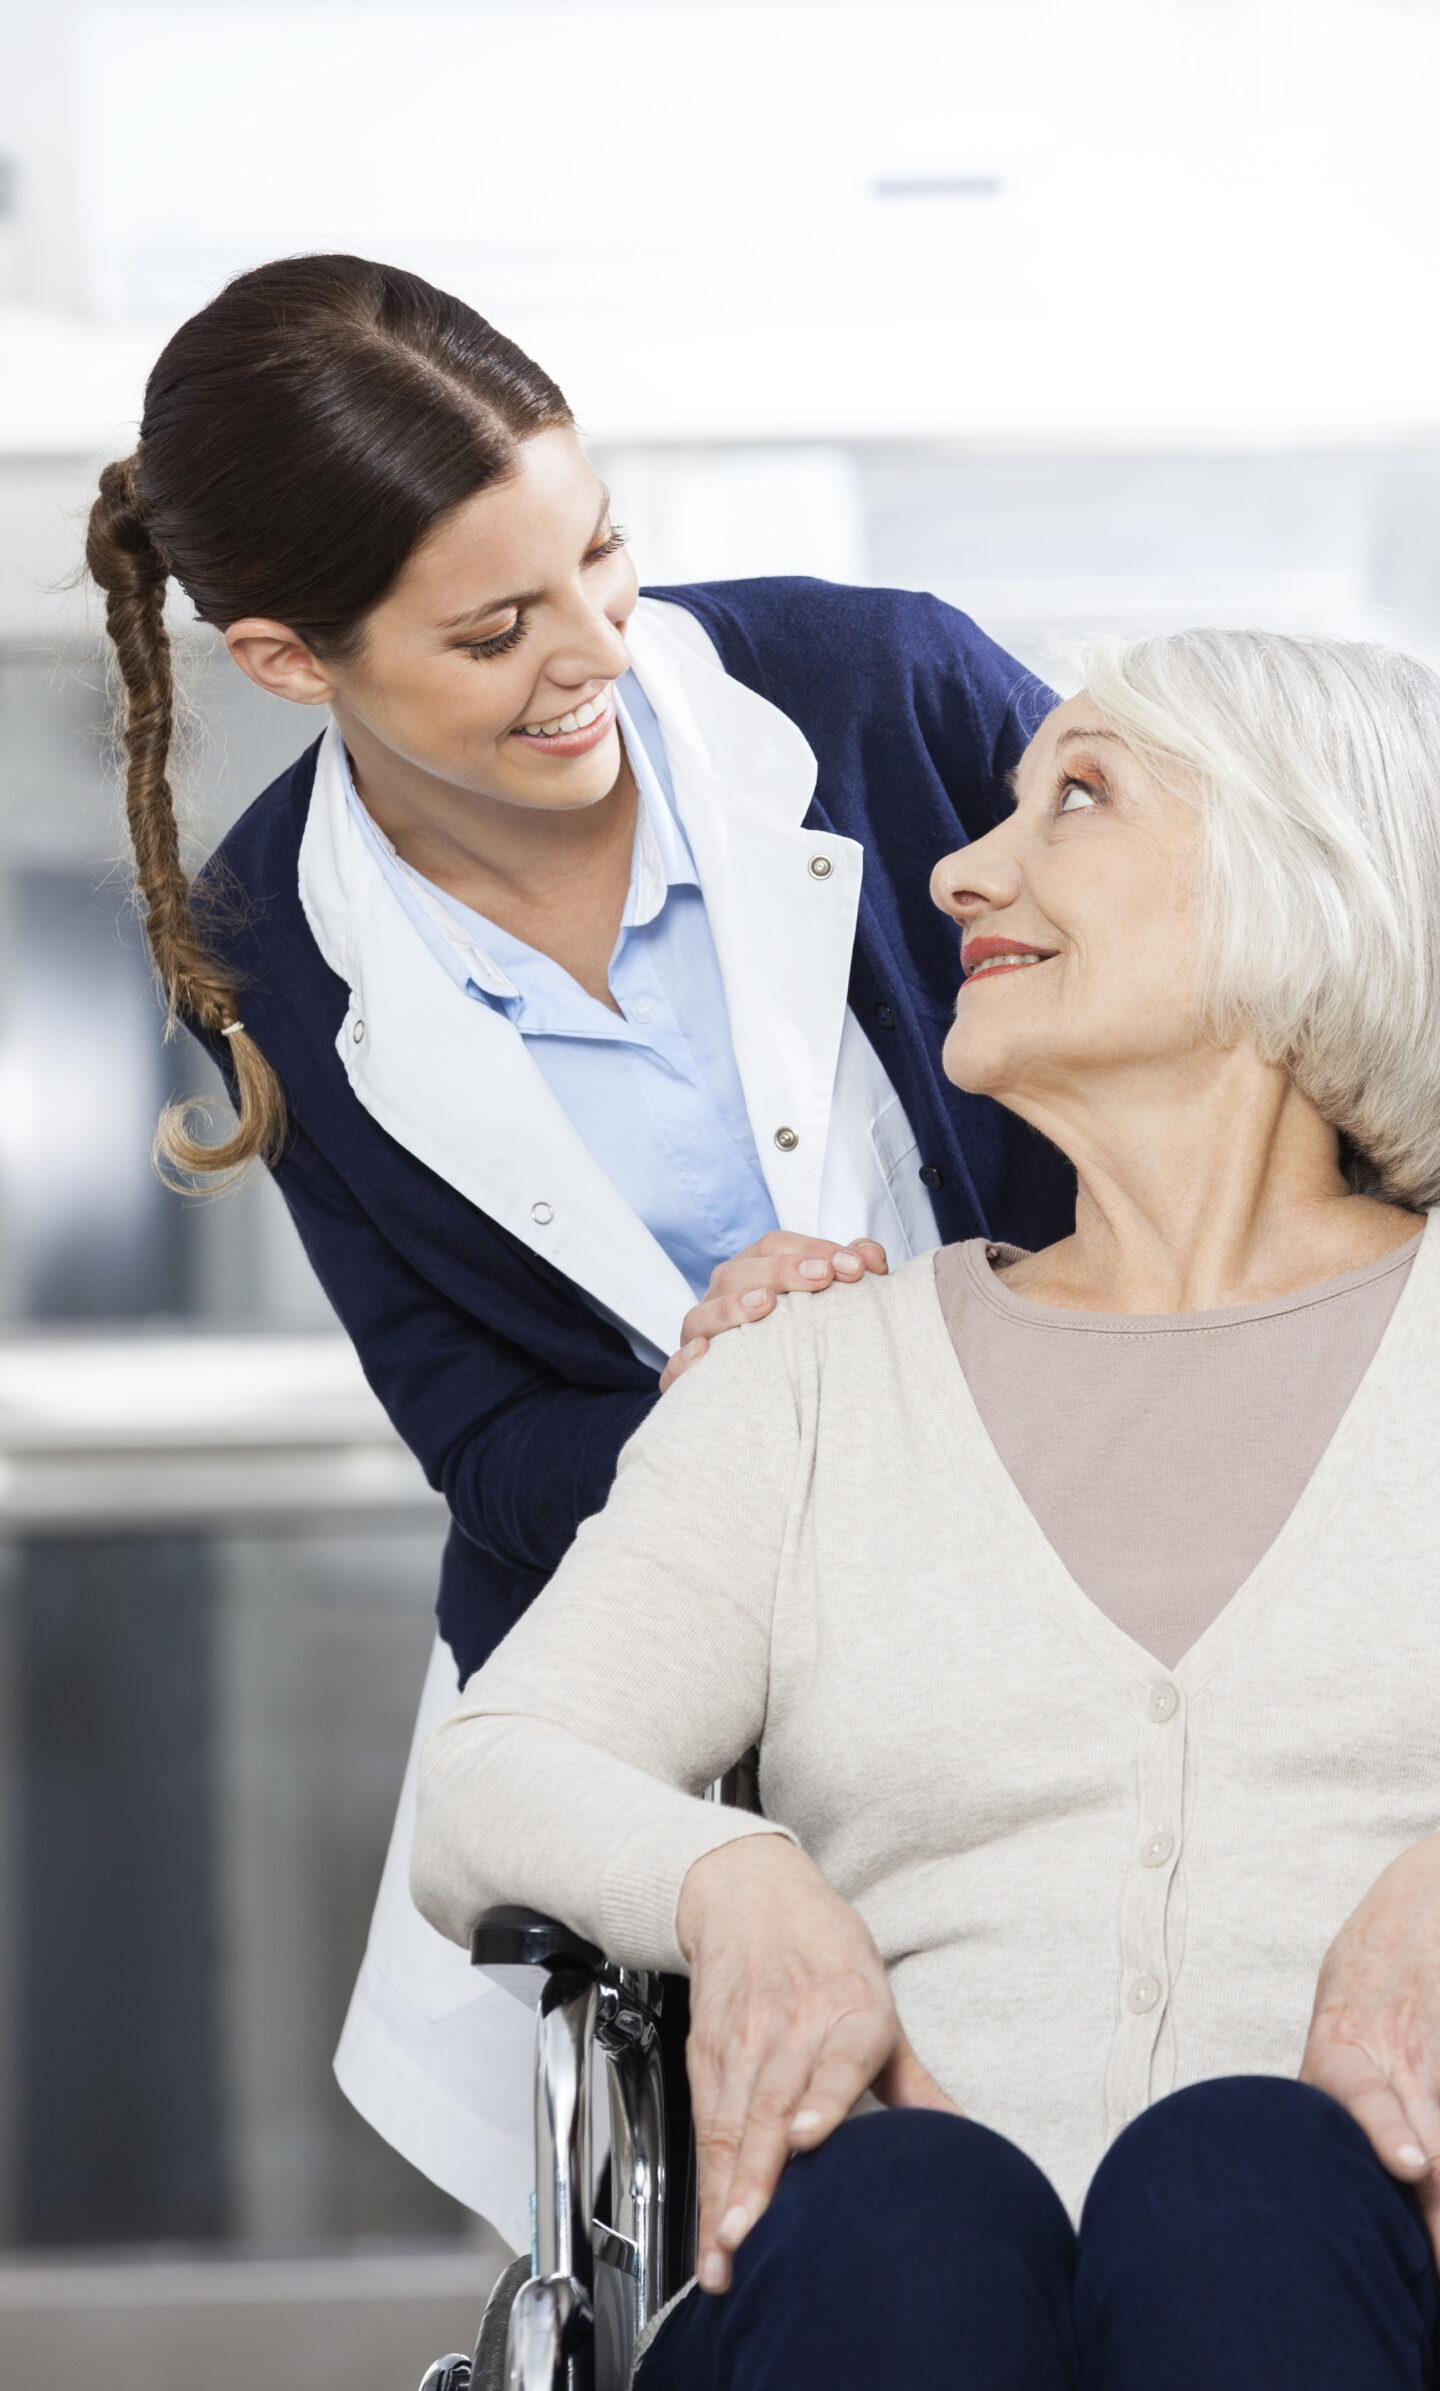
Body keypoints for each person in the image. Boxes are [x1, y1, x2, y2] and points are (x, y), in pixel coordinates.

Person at [413, 629, 1440, 2391]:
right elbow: (498, 1770)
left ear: (1312, 878)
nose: (958, 871)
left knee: (1238, 2175)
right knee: (918, 2206)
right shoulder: (815, 1372)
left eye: (1074, 799)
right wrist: (733, 1885)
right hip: (874, 2324)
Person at [82, 253, 1072, 2243]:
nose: (594, 654)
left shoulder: (883, 692)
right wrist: (716, 1411)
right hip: (686, 1709)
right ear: (293, 659)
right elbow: (484, 1432)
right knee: (838, 2264)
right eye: (494, 629)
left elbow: (1217, 1048)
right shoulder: (264, 944)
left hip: (1070, 1581)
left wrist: (976, 1339)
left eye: (603, 559)